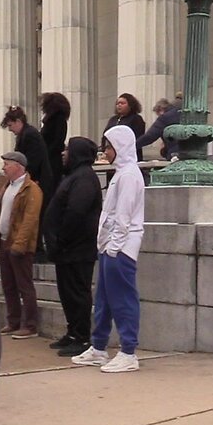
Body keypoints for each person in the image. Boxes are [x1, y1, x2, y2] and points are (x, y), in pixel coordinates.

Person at [72, 125, 144, 373]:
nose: (105, 151)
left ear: (120, 147)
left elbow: (123, 217)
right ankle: (99, 347)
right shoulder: (122, 173)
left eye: (109, 146)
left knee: (122, 299)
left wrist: (113, 247)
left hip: (120, 247)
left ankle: (128, 352)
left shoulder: (129, 175)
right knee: (103, 299)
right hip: (111, 246)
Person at [42, 137, 103, 357]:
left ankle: (82, 337)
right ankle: (72, 332)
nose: (63, 152)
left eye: (68, 149)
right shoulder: (74, 176)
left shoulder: (85, 178)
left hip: (77, 249)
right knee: (67, 293)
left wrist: (61, 238)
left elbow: (76, 212)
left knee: (78, 293)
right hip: (67, 250)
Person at [0, 150, 42, 340]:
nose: (3, 168)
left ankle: (30, 325)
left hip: (19, 245)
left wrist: (19, 244)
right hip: (4, 242)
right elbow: (0, 215)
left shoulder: (31, 190)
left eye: (7, 164)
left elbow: (29, 220)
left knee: (24, 285)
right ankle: (13, 321)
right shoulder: (7, 187)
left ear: (18, 166)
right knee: (8, 285)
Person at [0, 105, 53, 257]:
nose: (10, 129)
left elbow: (34, 160)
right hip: (35, 179)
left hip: (38, 180)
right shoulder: (27, 134)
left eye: (10, 125)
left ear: (18, 121)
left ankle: (38, 250)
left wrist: (28, 179)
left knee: (36, 216)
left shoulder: (30, 135)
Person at [39, 92, 70, 171]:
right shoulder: (55, 120)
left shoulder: (57, 120)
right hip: (51, 158)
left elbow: (57, 141)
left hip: (52, 160)